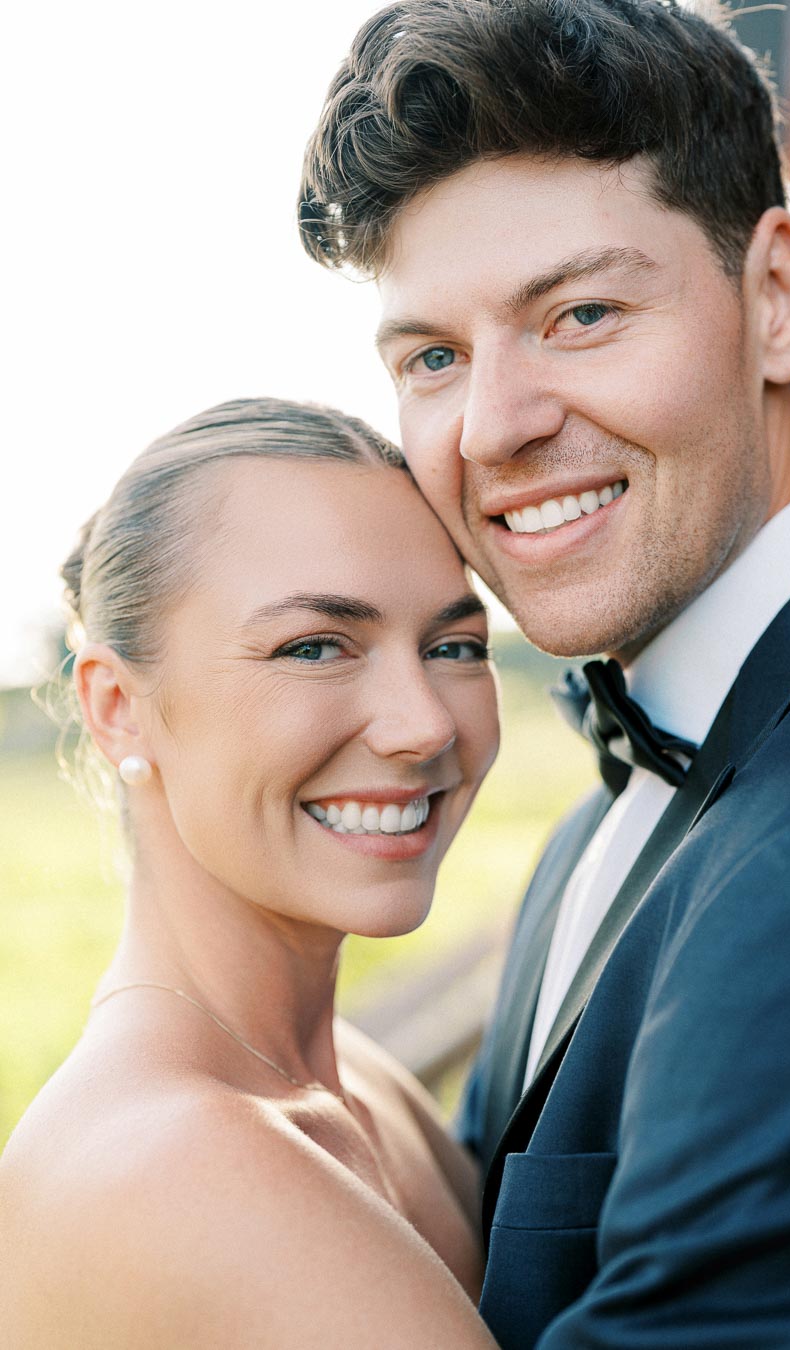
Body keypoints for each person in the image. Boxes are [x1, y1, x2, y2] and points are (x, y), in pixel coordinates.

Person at [299, 1, 790, 1345]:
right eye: (436, 357)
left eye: (580, 312)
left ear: (779, 301)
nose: (496, 425)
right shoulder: (600, 826)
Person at [0, 397, 503, 1348]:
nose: (425, 723)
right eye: (313, 646)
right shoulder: (175, 1166)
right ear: (116, 708)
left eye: (454, 646)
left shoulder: (359, 1078)